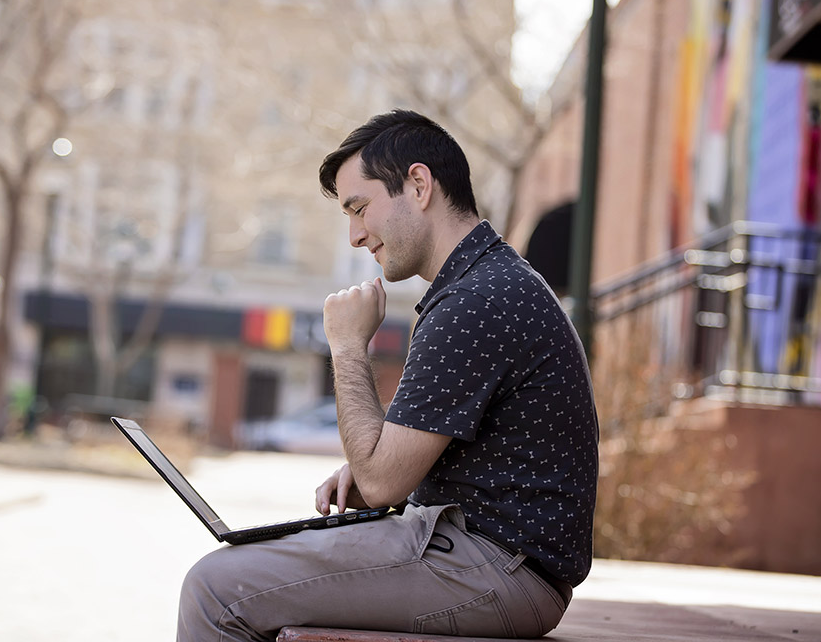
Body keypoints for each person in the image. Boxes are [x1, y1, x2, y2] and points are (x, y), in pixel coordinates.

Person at [177, 110, 598, 642]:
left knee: (216, 588)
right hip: (494, 560)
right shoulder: (483, 283)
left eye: (360, 208)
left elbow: (379, 483)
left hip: (497, 571)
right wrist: (382, 471)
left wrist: (348, 345)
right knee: (245, 573)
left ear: (418, 185)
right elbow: (397, 471)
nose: (355, 236)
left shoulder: (475, 301)